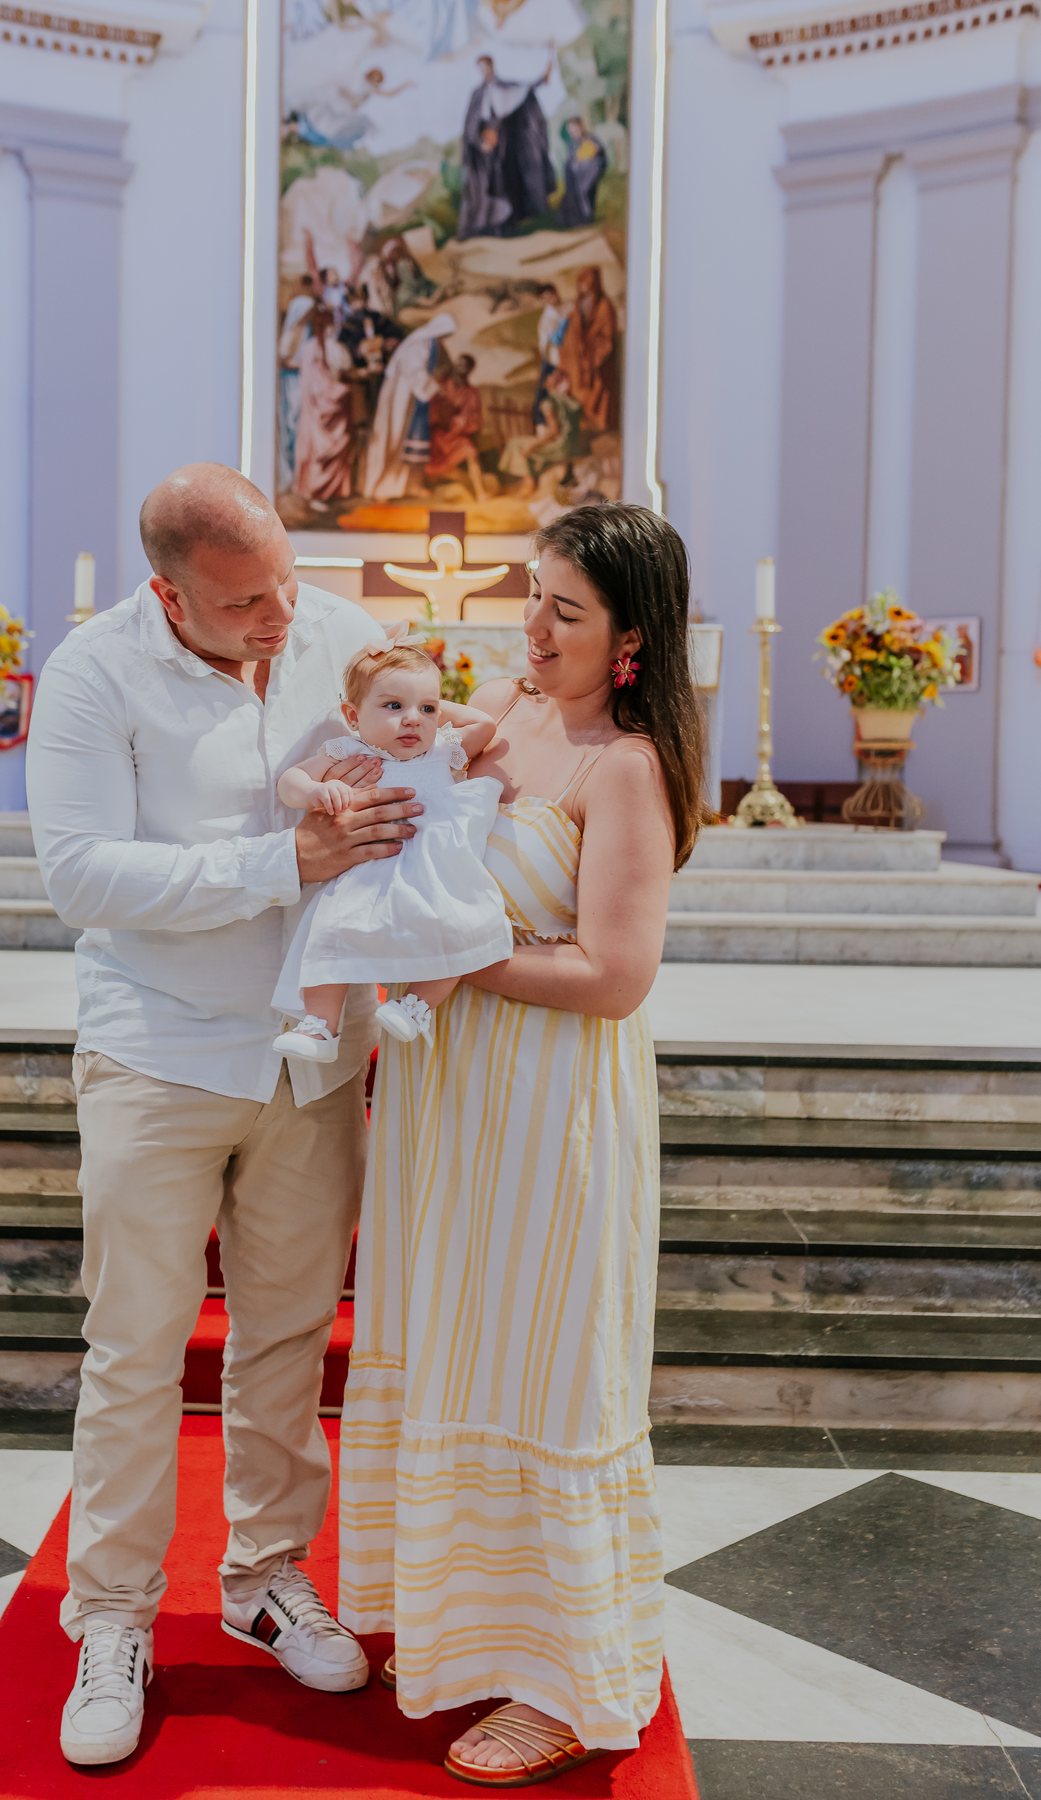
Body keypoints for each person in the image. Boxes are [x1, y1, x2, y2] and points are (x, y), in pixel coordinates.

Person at [26, 464, 424, 1768]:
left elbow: (413, 746)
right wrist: (284, 861)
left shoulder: (332, 630)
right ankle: (114, 1620)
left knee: (288, 1341)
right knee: (135, 1351)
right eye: (246, 602)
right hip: (159, 1052)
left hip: (312, 1057)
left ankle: (263, 1578)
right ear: (169, 591)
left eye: (286, 586)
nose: (280, 618)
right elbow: (82, 873)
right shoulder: (94, 672)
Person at [338, 502, 706, 1783]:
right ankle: (459, 1623)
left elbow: (615, 976)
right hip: (449, 1101)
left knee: (547, 1361)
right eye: (533, 596)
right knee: (453, 1338)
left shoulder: (628, 766)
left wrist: (455, 957)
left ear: (631, 644)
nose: (532, 626)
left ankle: (558, 1677)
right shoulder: (507, 709)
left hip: (554, 1109)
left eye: (565, 610)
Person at [270, 633, 511, 1060]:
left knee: (454, 929)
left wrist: (424, 696)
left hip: (433, 872)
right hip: (368, 872)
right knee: (331, 932)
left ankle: (417, 1006)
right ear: (352, 715)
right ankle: (320, 1025)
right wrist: (312, 792)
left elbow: (485, 726)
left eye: (427, 709)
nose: (414, 719)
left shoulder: (443, 752)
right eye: (393, 706)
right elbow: (289, 780)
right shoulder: (352, 750)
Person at [458, 52, 555, 239]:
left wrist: (544, 77)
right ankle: (487, 229)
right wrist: (480, 143)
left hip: (506, 145)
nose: (484, 71)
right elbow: (470, 125)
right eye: (481, 68)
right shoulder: (477, 93)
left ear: (492, 67)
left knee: (505, 185)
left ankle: (507, 228)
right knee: (487, 187)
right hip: (485, 150)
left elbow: (525, 89)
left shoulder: (505, 87)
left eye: (486, 67)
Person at [363, 312, 455, 500]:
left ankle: (410, 486)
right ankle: (383, 488)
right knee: (395, 438)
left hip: (415, 399)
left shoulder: (430, 342)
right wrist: (434, 389)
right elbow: (413, 370)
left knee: (413, 441)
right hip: (402, 396)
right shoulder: (420, 342)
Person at [293, 306, 355, 508]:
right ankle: (323, 492)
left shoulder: (309, 347)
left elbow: (306, 379)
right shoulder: (336, 349)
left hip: (315, 405)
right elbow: (345, 369)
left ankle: (314, 491)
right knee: (325, 447)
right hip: (328, 402)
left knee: (315, 447)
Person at [500, 365, 588, 497]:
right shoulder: (574, 402)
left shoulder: (549, 402)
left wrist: (533, 445)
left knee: (516, 444)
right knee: (525, 442)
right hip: (573, 445)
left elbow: (554, 431)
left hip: (559, 446)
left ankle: (528, 483)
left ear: (551, 384)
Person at [559, 265, 618, 434]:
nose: (583, 291)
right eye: (580, 286)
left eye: (586, 286)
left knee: (599, 388)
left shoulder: (605, 306)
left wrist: (593, 350)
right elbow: (575, 327)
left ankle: (598, 425)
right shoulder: (579, 304)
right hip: (579, 357)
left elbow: (606, 336)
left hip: (598, 358)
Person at [426, 353, 487, 500]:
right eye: (459, 364)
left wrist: (461, 421)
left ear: (469, 371)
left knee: (470, 452)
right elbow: (430, 407)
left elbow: (474, 417)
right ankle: (461, 481)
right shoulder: (440, 385)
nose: (461, 369)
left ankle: (480, 493)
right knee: (430, 465)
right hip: (437, 434)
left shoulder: (471, 393)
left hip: (456, 434)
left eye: (465, 367)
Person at [277, 275, 316, 490]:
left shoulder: (310, 335)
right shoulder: (292, 334)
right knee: (293, 424)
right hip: (293, 384)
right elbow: (284, 359)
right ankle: (290, 476)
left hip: (306, 383)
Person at [556, 117, 607, 228]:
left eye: (574, 127)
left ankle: (587, 217)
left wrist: (584, 162)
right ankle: (576, 220)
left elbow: (599, 156)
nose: (572, 131)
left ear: (580, 126)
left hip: (590, 172)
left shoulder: (591, 139)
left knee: (585, 193)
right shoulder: (571, 144)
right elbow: (571, 160)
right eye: (570, 128)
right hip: (575, 175)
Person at [532, 282, 568, 425]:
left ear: (556, 292)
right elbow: (545, 345)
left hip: (568, 357)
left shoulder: (567, 309)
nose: (549, 300)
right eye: (545, 299)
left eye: (550, 296)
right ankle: (542, 424)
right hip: (554, 360)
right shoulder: (547, 319)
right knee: (547, 394)